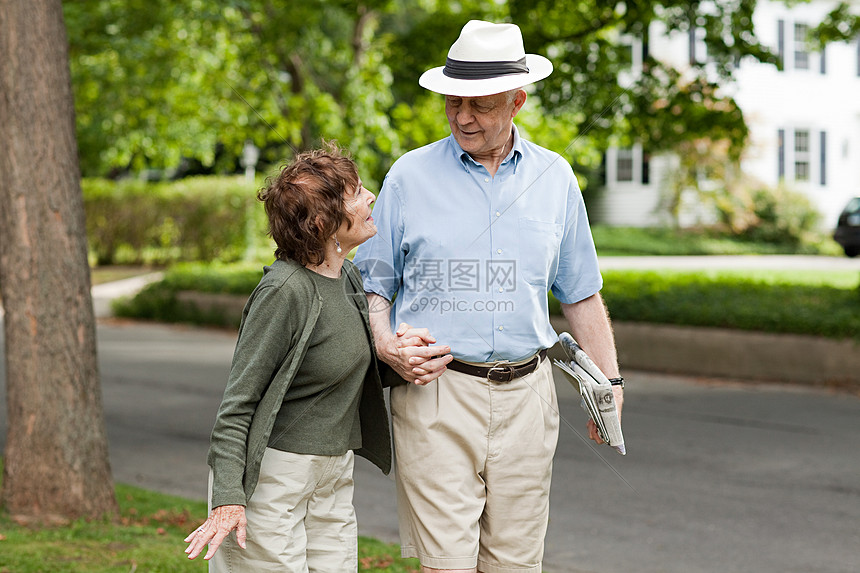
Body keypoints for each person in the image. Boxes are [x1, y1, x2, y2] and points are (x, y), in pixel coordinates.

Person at [353, 20, 624, 573]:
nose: (462, 117)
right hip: (435, 393)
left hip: (530, 397)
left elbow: (582, 294)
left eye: (480, 104)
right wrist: (385, 343)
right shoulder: (408, 176)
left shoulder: (555, 178)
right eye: (453, 102)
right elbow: (373, 283)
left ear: (517, 101)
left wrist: (610, 384)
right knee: (445, 566)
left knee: (514, 565)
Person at [184, 144, 391, 571]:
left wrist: (402, 357)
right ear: (323, 222)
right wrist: (227, 498)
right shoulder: (285, 292)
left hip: (333, 473)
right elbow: (237, 405)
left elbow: (344, 369)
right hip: (274, 478)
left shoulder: (347, 276)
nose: (371, 196)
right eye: (355, 193)